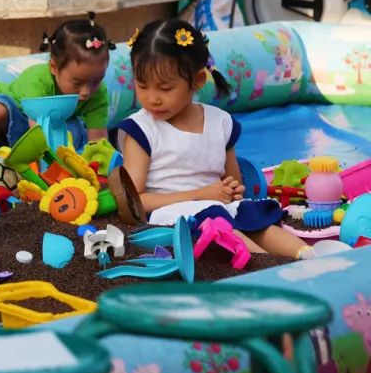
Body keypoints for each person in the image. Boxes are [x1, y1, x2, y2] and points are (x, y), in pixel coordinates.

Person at [115, 19, 313, 259]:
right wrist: (200, 195)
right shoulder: (142, 130)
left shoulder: (219, 122)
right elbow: (134, 202)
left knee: (256, 221)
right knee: (219, 223)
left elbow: (232, 180)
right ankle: (266, 265)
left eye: (165, 89)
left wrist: (232, 190)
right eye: (142, 86)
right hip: (174, 217)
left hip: (216, 206)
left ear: (197, 80)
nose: (152, 98)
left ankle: (308, 255)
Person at [0, 13, 113, 153]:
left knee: (74, 130)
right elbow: (38, 134)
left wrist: (99, 161)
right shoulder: (37, 81)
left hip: (58, 132)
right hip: (18, 124)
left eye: (96, 81)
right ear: (54, 68)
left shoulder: (98, 93)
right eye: (77, 83)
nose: (86, 92)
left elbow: (98, 139)